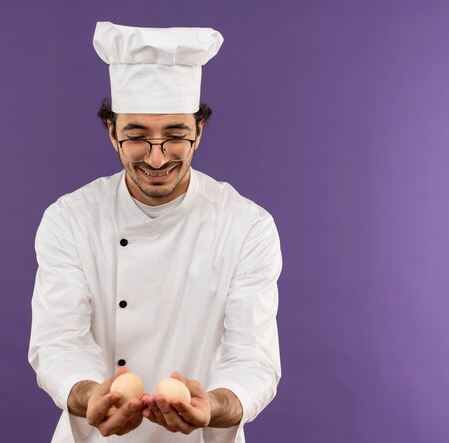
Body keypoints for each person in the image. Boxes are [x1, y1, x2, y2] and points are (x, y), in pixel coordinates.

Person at [29, 21, 282, 442]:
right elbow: (58, 341)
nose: (157, 156)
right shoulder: (70, 218)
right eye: (137, 137)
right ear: (112, 133)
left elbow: (253, 357)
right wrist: (91, 393)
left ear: (199, 130)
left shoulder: (247, 226)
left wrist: (215, 404)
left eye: (175, 136)